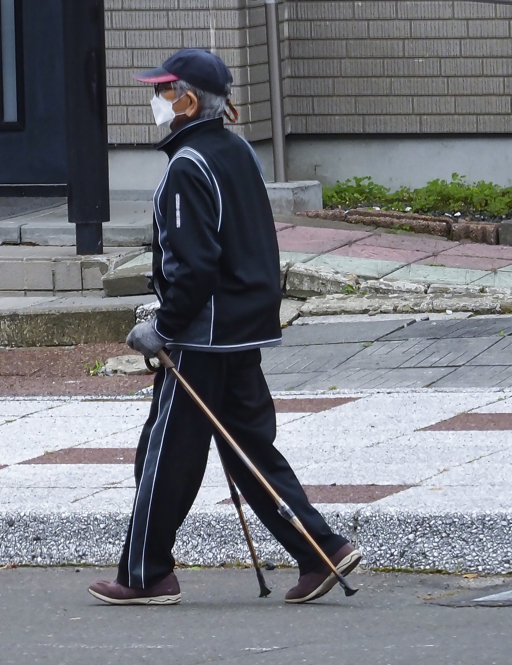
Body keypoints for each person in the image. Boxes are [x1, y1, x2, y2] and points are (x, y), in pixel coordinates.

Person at [87, 49, 361, 606]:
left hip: (200, 335)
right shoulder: (236, 151)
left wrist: (162, 326)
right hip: (243, 326)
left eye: (164, 91)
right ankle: (321, 550)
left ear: (188, 101)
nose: (157, 100)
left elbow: (193, 265)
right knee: (248, 449)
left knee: (166, 454)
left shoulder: (188, 166)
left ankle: (145, 574)